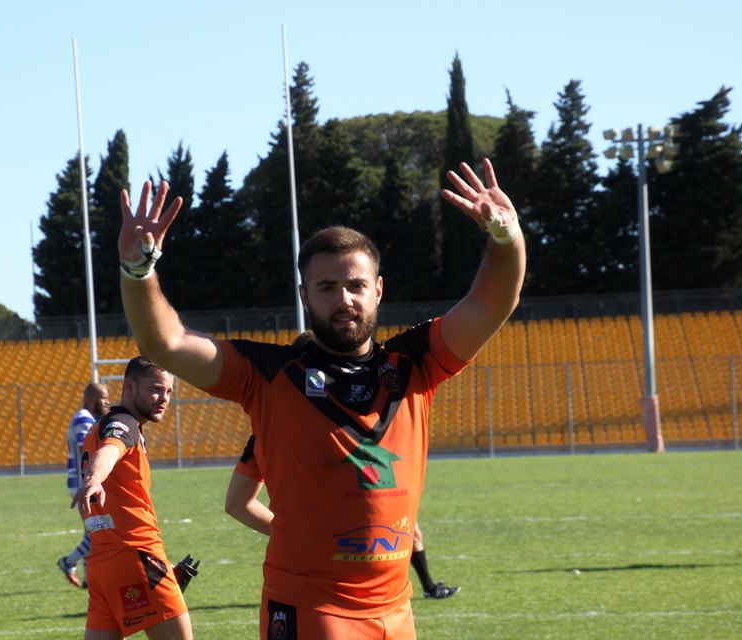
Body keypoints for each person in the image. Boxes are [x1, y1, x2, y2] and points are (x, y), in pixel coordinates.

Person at [115, 157, 524, 638]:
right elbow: (166, 343)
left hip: (396, 610)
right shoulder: (267, 373)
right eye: (327, 288)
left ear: (378, 291)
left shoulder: (416, 362)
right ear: (305, 295)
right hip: (311, 607)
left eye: (355, 286)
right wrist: (138, 270)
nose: (344, 299)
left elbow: (492, 302)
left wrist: (506, 236)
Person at [225, 435, 459, 599]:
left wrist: (292, 534)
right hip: (369, 594)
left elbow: (237, 504)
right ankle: (428, 587)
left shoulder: (266, 432)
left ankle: (428, 586)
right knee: (410, 534)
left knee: (412, 534)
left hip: (304, 587)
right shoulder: (337, 426)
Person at [72, 356, 194, 640]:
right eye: (156, 389)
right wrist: (94, 478)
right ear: (129, 387)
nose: (164, 398)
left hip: (101, 563)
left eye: (169, 391)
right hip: (137, 556)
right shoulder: (124, 424)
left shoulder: (99, 427)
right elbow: (111, 449)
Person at [58, 382, 111, 589]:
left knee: (92, 529)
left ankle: (89, 579)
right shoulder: (83, 419)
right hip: (85, 485)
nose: (107, 402)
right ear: (91, 398)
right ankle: (68, 561)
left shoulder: (85, 418)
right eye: (103, 397)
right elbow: (86, 449)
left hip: (82, 483)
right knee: (97, 529)